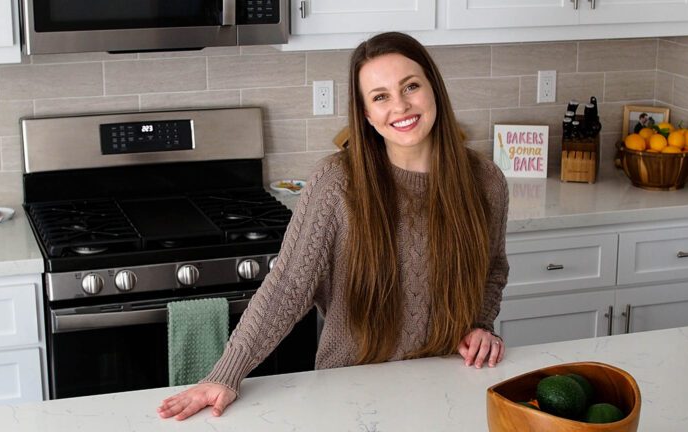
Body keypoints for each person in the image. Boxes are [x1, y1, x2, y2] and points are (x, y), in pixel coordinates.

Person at [157, 31, 510, 421]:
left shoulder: (486, 180)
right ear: (366, 114)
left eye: (411, 86)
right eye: (380, 97)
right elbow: (289, 285)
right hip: (349, 392)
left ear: (434, 89)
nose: (401, 106)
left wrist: (481, 324)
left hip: (450, 385)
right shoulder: (336, 182)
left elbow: (492, 267)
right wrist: (226, 374)